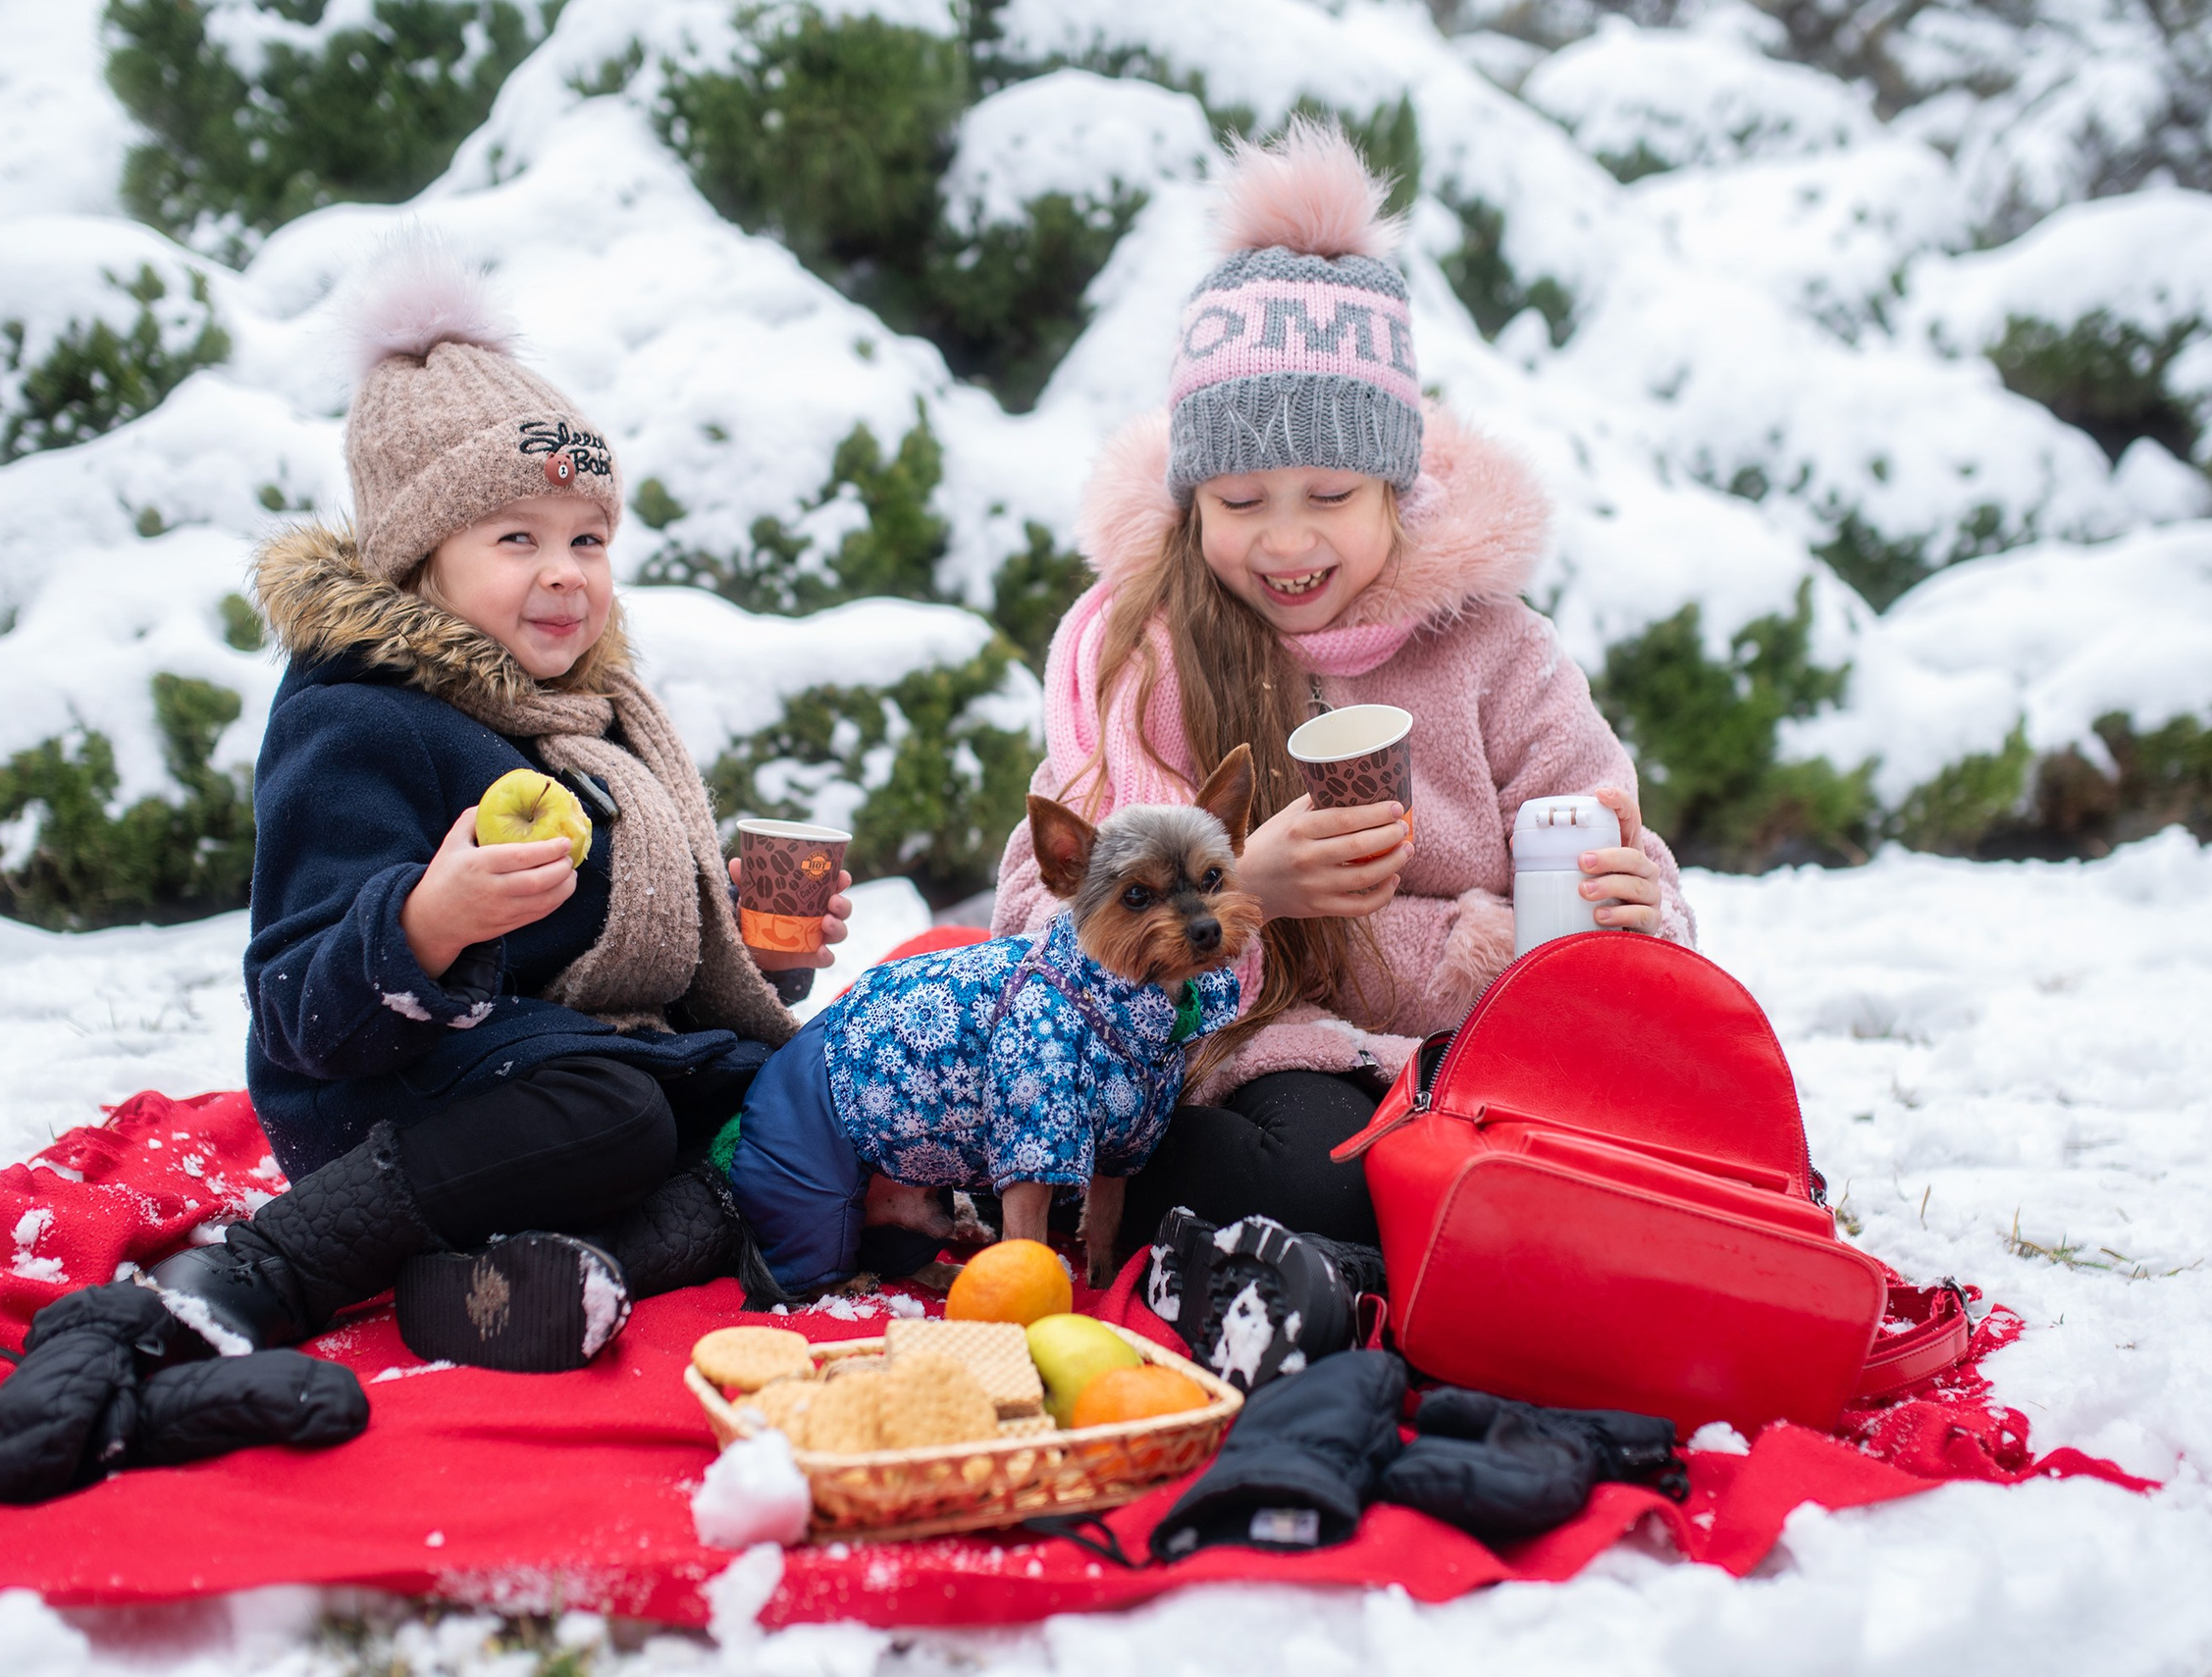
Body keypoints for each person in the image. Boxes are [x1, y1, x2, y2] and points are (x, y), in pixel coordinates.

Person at [989, 123, 1696, 1261]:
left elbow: (1623, 849)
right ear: (1190, 504)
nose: (1284, 541)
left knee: (1570, 1164)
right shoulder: (1142, 654)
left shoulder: (1496, 651)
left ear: (1395, 490)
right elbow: (1034, 916)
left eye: (1327, 491)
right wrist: (1240, 893)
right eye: (1238, 499)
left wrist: (1634, 902)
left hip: (1485, 1045)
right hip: (1261, 1053)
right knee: (1301, 1181)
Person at [173, 239, 848, 1372]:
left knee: (813, 1096)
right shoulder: (360, 718)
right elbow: (296, 1001)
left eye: (587, 538)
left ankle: (526, 1280)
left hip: (566, 1071)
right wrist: (429, 920)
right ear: (420, 557)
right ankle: (276, 1265)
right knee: (623, 1113)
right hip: (392, 1101)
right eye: (516, 538)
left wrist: (744, 936)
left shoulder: (595, 719)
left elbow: (624, 949)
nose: (566, 570)